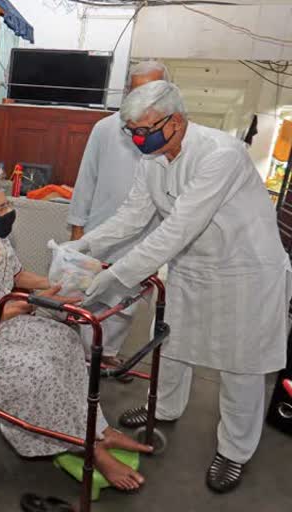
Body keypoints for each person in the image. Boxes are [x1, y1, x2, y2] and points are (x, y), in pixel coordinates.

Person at [68, 81, 292, 493]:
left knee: (241, 366)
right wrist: (84, 243)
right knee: (172, 344)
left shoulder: (220, 155)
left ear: (177, 120)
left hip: (244, 271)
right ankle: (165, 407)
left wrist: (113, 276)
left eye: (145, 129)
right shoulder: (151, 158)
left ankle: (234, 451)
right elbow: (133, 217)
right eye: (132, 131)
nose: (139, 138)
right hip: (194, 266)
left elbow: (179, 227)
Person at [0, 180, 153, 491]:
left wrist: (56, 283)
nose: (8, 213)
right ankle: (86, 446)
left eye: (7, 205)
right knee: (34, 368)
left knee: (64, 340)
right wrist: (30, 303)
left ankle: (99, 430)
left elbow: (13, 275)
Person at [67, 61, 169, 368]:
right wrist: (77, 226)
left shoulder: (167, 133)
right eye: (136, 89)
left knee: (128, 300)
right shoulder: (105, 128)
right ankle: (84, 355)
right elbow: (87, 178)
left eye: (151, 90)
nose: (143, 97)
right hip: (102, 225)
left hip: (145, 233)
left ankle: (107, 352)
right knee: (92, 292)